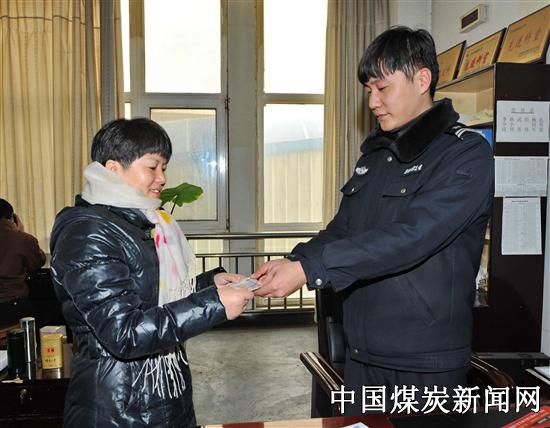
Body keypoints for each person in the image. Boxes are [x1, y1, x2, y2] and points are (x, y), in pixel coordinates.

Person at [253, 26, 494, 414]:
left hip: (424, 364)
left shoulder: (464, 155)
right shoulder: (377, 156)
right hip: (363, 355)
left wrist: (310, 269)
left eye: (382, 88)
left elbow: (412, 237)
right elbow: (343, 229)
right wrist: (297, 260)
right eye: (368, 90)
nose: (373, 102)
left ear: (422, 80)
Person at [50, 118, 253, 427]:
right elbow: (124, 332)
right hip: (119, 406)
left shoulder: (138, 223)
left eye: (164, 168)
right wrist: (213, 303)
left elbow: (148, 293)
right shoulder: (88, 232)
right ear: (113, 169)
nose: (162, 178)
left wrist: (208, 284)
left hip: (162, 391)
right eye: (152, 167)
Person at [0, 198, 46, 325]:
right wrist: (20, 232)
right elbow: (37, 262)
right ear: (12, 218)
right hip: (12, 306)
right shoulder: (22, 240)